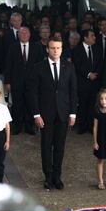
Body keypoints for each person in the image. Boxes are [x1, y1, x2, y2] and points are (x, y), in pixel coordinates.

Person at [27, 37, 77, 190]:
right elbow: (33, 93)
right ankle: (48, 177)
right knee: (46, 146)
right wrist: (36, 114)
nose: (55, 51)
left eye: (58, 48)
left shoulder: (69, 67)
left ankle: (57, 177)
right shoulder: (38, 67)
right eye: (53, 48)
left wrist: (73, 113)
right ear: (47, 49)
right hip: (45, 115)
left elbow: (73, 91)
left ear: (62, 49)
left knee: (60, 147)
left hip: (63, 114)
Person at [4, 27, 43, 135]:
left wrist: (40, 80)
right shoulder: (13, 47)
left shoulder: (36, 47)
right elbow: (8, 65)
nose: (24, 35)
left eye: (26, 33)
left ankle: (29, 126)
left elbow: (40, 65)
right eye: (21, 33)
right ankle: (17, 126)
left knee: (30, 103)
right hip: (16, 81)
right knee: (17, 104)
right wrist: (7, 81)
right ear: (18, 35)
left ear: (30, 35)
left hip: (32, 82)